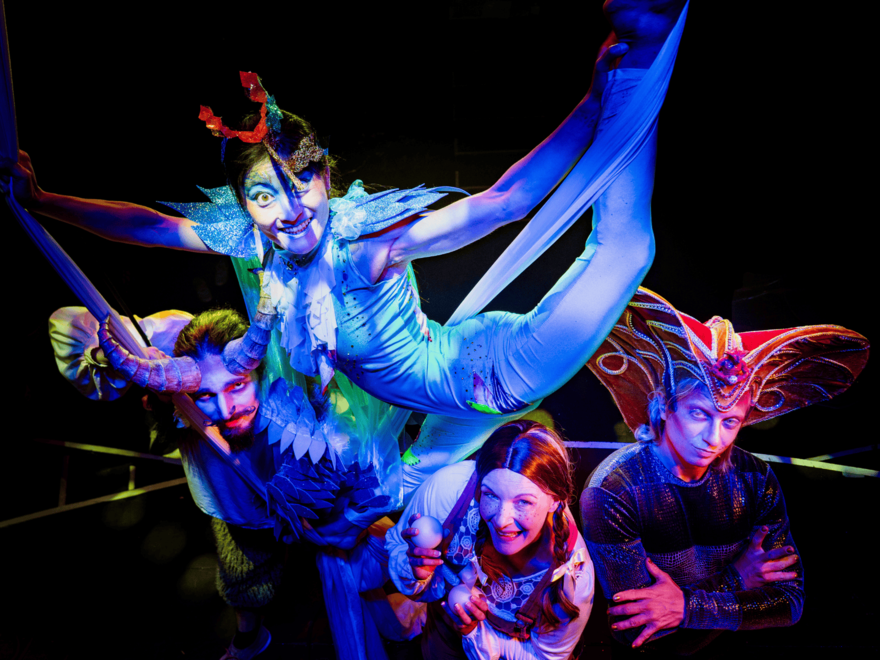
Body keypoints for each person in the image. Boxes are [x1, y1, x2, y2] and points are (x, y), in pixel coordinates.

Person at [3, 0, 688, 436]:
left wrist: (595, 104)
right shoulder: (252, 242)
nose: (294, 209)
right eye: (266, 196)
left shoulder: (365, 247)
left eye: (304, 180)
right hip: (441, 413)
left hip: (491, 375)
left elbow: (503, 204)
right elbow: (148, 226)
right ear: (245, 207)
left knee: (626, 250)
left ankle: (641, 58)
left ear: (327, 173)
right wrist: (43, 200)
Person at [50, 304, 426, 660]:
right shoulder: (172, 343)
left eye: (237, 386)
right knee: (244, 574)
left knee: (350, 561)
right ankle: (250, 638)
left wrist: (349, 518)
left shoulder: (296, 376)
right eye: (204, 397)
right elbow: (68, 326)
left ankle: (384, 616)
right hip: (236, 502)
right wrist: (109, 357)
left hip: (312, 501)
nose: (227, 411)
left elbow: (365, 467)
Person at [579, 288, 870, 655]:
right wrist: (738, 579)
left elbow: (789, 603)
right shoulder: (613, 490)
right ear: (665, 407)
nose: (714, 438)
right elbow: (635, 630)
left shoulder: (754, 478)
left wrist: (683, 607)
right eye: (699, 413)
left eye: (730, 421)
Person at [386, 420, 595, 660]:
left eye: (524, 502)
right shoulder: (449, 491)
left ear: (556, 500)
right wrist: (418, 570)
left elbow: (545, 657)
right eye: (491, 495)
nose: (501, 520)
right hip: (440, 641)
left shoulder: (573, 580)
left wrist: (474, 631)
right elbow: (397, 547)